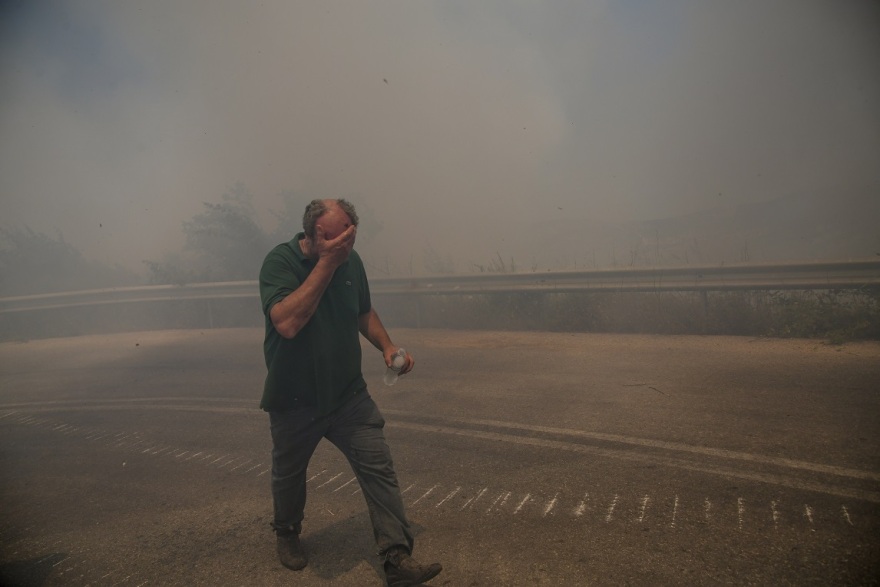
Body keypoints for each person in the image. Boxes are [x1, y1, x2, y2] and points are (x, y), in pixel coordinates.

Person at [258, 198, 442, 587]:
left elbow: (362, 312)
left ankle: (396, 557)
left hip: (347, 395)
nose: (342, 245)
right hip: (294, 398)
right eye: (333, 238)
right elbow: (287, 324)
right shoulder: (280, 262)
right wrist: (327, 263)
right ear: (312, 233)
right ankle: (287, 532)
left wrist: (387, 346)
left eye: (348, 237)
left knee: (378, 467)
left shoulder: (350, 262)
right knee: (289, 474)